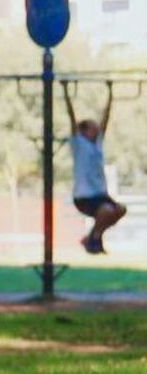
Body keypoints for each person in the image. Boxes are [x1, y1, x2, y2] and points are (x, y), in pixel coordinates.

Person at [66, 86, 127, 253]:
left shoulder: (98, 144)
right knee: (106, 210)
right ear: (83, 131)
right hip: (84, 196)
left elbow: (105, 119)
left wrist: (111, 93)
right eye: (93, 127)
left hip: (100, 194)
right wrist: (66, 93)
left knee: (120, 209)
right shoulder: (78, 143)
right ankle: (94, 239)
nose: (97, 129)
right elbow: (71, 118)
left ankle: (93, 236)